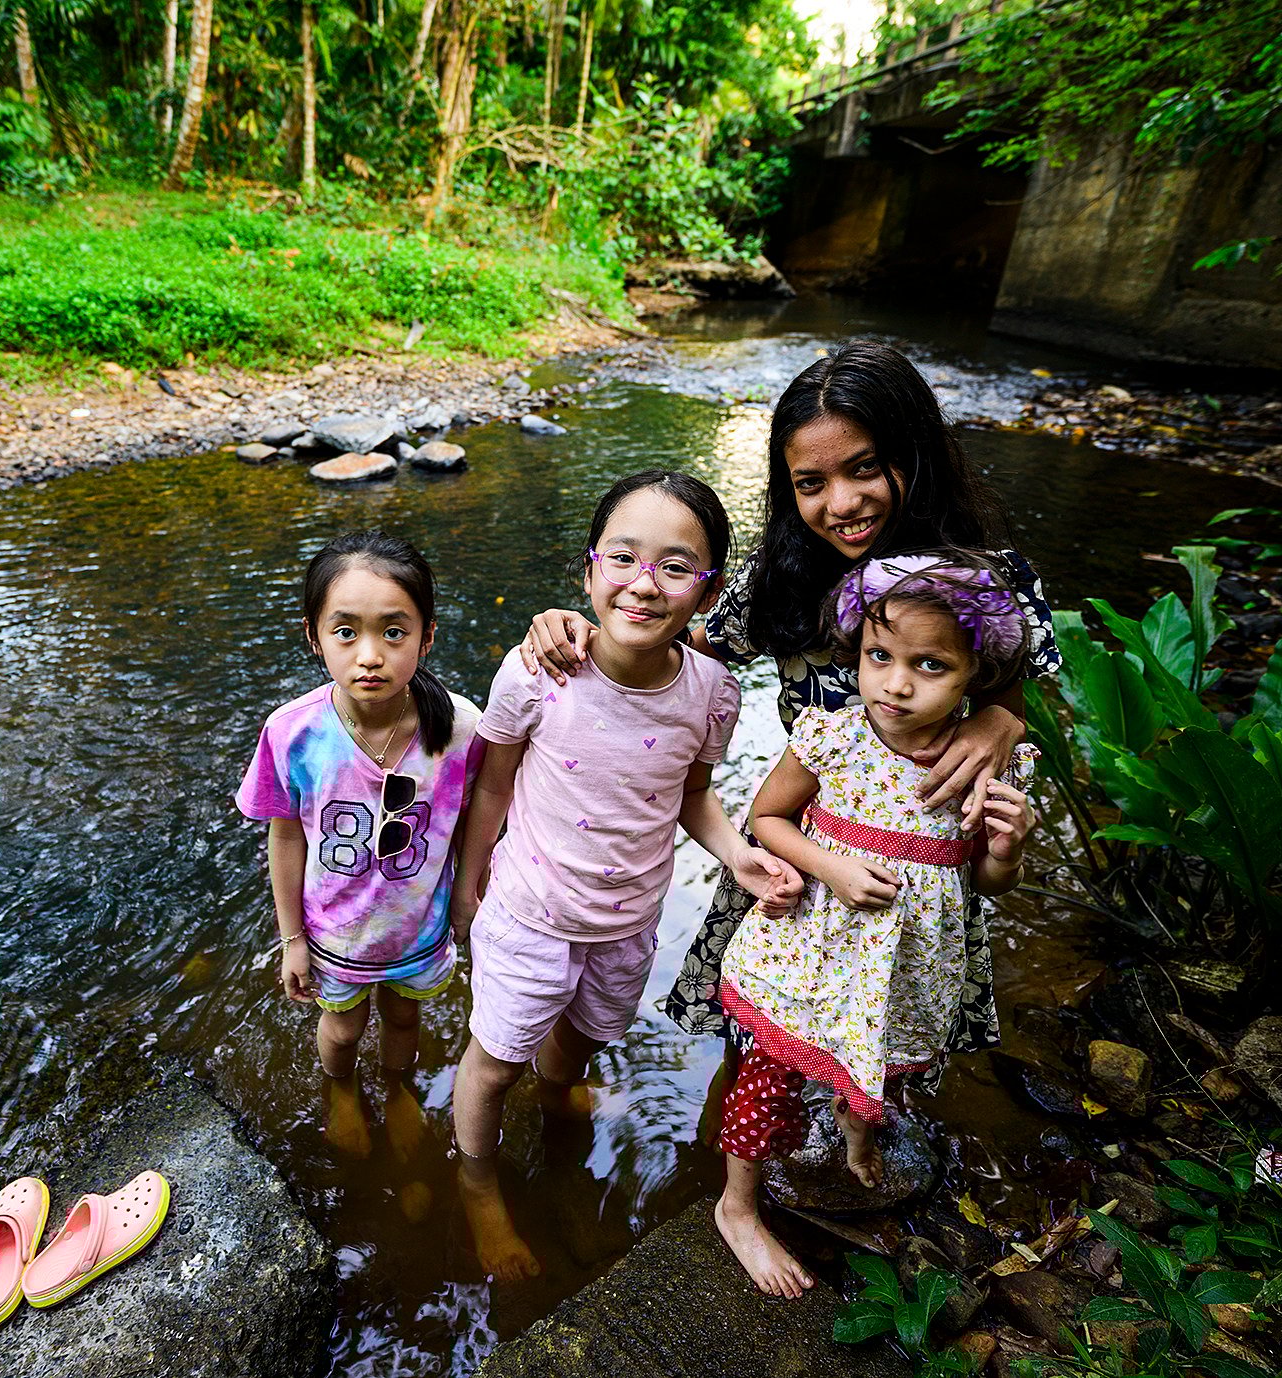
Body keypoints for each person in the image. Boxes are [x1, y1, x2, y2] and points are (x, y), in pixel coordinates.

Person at [519, 341, 1060, 1067]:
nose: (840, 503)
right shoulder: (782, 578)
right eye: (810, 482)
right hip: (793, 851)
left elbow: (1013, 688)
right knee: (759, 1042)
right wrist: (581, 627)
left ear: (917, 453)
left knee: (885, 1047)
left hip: (915, 869)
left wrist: (1002, 715)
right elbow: (675, 640)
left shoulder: (986, 583)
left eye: (865, 467)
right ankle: (733, 1173)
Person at [450, 470, 802, 1282]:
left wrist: (739, 854)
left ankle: (561, 1097)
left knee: (581, 1039)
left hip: (626, 921)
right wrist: (468, 885)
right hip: (529, 912)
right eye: (624, 558)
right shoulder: (539, 671)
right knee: (494, 1059)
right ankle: (475, 1182)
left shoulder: (712, 692)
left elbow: (692, 797)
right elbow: (494, 784)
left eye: (676, 567)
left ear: (707, 589)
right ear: (588, 570)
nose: (644, 585)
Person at [714, 551, 1040, 1297]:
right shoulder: (832, 736)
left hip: (903, 966)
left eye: (928, 665)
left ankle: (858, 1137)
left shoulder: (991, 764)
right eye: (877, 656)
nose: (894, 683)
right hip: (808, 950)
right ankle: (735, 1206)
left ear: (975, 677)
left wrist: (1008, 847)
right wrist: (831, 867)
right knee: (767, 1076)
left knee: (883, 1062)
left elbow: (986, 883)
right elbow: (766, 816)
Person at [237, 532, 484, 1160]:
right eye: (346, 632)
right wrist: (291, 938)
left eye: (394, 633)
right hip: (335, 935)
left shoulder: (459, 729)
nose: (369, 655)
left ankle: (398, 1091)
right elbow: (286, 833)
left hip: (418, 931)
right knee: (342, 1028)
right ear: (314, 636)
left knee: (405, 1020)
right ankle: (342, 1094)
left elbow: (486, 817)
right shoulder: (293, 733)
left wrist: (468, 905)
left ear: (427, 637)